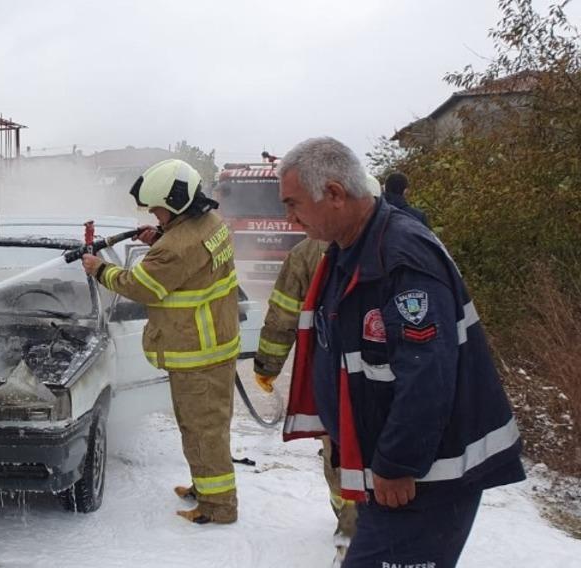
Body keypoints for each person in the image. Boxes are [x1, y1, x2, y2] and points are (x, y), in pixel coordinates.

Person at [277, 137, 525, 567]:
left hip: (424, 479)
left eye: (293, 204)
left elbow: (427, 375)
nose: (289, 218)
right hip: (392, 474)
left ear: (334, 194)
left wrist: (396, 464)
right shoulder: (351, 251)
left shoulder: (402, 258)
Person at [81, 159, 241, 525]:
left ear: (177, 205)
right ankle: (207, 487)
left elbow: (140, 286)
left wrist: (99, 269)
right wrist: (161, 237)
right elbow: (190, 263)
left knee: (202, 429)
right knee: (207, 426)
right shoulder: (210, 223)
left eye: (158, 210)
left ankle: (218, 508)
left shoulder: (176, 247)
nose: (155, 214)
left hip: (196, 352)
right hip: (215, 343)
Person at [252, 237, 358, 561]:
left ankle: (350, 525)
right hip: (379, 377)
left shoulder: (306, 251)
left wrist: (267, 365)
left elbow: (283, 313)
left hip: (328, 373)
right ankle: (357, 524)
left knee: (338, 449)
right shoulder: (395, 242)